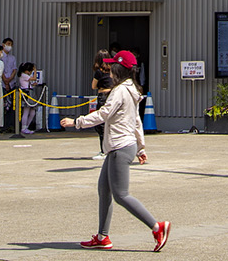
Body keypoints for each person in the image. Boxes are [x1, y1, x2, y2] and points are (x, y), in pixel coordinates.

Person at [62, 51, 170, 252]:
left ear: (120, 69)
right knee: (104, 188)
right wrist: (141, 147)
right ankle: (102, 237)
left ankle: (157, 227)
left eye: (112, 66)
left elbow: (103, 114)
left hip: (120, 147)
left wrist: (76, 122)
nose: (109, 70)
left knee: (121, 195)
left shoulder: (120, 91)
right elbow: (136, 121)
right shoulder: (132, 90)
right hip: (120, 147)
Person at [90, 49, 113, 159]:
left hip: (102, 96)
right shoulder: (112, 70)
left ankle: (104, 150)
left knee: (100, 124)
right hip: (112, 96)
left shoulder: (99, 72)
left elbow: (93, 86)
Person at [1, 38, 19, 131]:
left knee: (11, 105)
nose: (9, 46)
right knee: (3, 105)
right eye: (8, 44)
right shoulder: (0, 57)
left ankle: (10, 125)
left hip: (11, 83)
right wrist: (5, 81)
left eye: (11, 44)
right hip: (2, 84)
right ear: (3, 44)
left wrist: (10, 79)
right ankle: (2, 126)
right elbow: (0, 71)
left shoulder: (13, 58)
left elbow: (14, 69)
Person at [18, 62, 40, 134]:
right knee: (26, 111)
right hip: (27, 94)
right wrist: (35, 70)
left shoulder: (25, 76)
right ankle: (23, 127)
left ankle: (26, 127)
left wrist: (33, 85)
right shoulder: (23, 75)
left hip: (30, 93)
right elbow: (34, 78)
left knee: (32, 112)